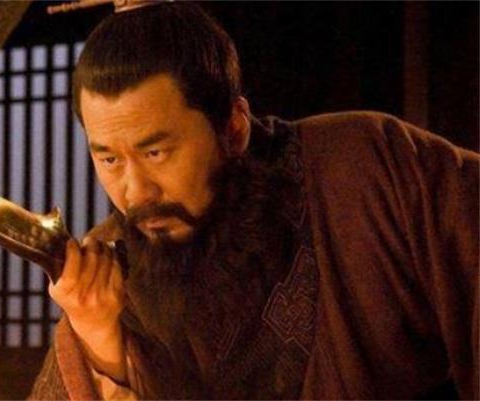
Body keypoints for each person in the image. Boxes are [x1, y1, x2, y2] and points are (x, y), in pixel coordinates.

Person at [29, 3, 479, 400]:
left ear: (233, 128)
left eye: (156, 153)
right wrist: (100, 343)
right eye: (109, 159)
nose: (136, 192)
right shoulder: (107, 271)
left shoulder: (364, 167)